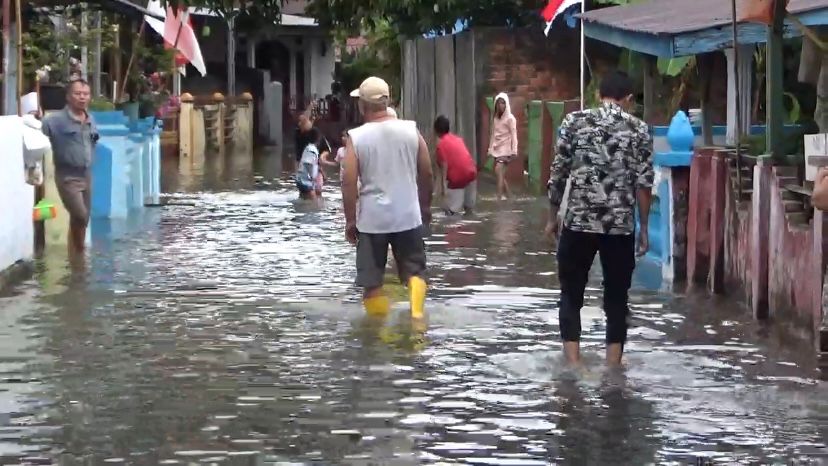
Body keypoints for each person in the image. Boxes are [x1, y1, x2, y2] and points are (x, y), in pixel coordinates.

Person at [545, 71, 653, 367]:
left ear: (598, 95)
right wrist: (643, 229)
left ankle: (573, 364)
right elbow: (644, 186)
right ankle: (613, 367)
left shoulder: (574, 122)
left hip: (578, 223)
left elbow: (558, 174)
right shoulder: (639, 130)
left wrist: (552, 217)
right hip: (619, 227)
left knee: (571, 293)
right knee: (617, 299)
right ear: (629, 99)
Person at [342, 76, 433, 319]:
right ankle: (416, 316)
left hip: (373, 221)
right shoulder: (410, 130)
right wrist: (424, 207)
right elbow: (426, 171)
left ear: (362, 105)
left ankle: (379, 333)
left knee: (372, 282)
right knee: (415, 273)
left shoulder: (357, 137)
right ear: (387, 101)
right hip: (408, 215)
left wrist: (350, 220)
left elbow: (348, 180)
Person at [42, 79, 98, 255]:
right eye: (77, 94)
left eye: (86, 94)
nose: (82, 97)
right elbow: (38, 136)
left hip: (86, 175)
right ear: (68, 96)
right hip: (67, 176)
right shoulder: (55, 121)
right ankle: (77, 252)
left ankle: (76, 254)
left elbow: (93, 142)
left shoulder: (90, 119)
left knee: (83, 218)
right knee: (80, 215)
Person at [434, 115, 477, 215]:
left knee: (452, 213)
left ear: (436, 131)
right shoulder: (458, 139)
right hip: (471, 174)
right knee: (469, 211)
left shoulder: (441, 145)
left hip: (457, 178)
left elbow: (444, 166)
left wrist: (443, 187)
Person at [488, 92, 518, 200]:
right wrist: (490, 149)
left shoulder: (510, 118)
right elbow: (493, 134)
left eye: (503, 103)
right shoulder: (495, 118)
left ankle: (499, 198)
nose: (501, 106)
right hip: (497, 149)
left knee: (498, 170)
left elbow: (514, 134)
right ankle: (510, 197)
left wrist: (514, 150)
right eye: (499, 103)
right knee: (500, 175)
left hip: (506, 150)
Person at [295, 127, 326, 199]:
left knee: (304, 201)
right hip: (305, 181)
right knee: (313, 203)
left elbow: (314, 164)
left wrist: (322, 174)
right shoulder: (311, 149)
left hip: (303, 180)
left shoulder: (309, 148)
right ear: (318, 138)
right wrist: (313, 177)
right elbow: (308, 164)